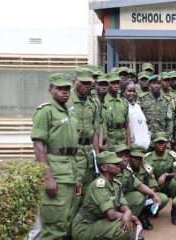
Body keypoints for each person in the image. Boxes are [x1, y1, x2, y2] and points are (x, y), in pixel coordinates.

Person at [31, 73, 78, 240]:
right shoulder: (45, 112)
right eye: (59, 88)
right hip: (56, 174)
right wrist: (48, 177)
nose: (64, 92)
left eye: (67, 88)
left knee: (65, 221)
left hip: (69, 172)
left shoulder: (69, 113)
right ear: (50, 90)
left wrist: (76, 176)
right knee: (54, 225)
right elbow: (38, 146)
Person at [72, 151, 142, 240]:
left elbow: (124, 206)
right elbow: (111, 215)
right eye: (115, 164)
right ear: (104, 167)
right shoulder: (99, 185)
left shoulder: (116, 184)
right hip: (84, 227)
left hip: (98, 222)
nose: (119, 165)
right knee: (122, 225)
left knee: (126, 221)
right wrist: (131, 217)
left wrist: (128, 213)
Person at [66, 67, 100, 198]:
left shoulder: (92, 103)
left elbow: (95, 131)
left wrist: (97, 155)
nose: (87, 86)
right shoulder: (67, 101)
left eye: (88, 83)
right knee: (74, 193)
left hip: (89, 153)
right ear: (74, 81)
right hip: (75, 152)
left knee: (88, 191)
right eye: (83, 82)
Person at [128, 144, 168, 230]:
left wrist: (149, 195)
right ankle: (132, 219)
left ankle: (143, 215)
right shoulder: (124, 167)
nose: (137, 160)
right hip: (127, 198)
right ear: (129, 157)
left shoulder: (146, 167)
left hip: (143, 195)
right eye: (135, 158)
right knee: (139, 197)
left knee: (163, 198)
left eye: (140, 158)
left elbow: (153, 185)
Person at [144, 132, 176, 224]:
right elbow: (146, 177)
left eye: (163, 142)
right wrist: (154, 187)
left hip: (167, 184)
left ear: (167, 143)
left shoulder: (173, 156)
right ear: (153, 143)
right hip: (153, 187)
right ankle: (153, 209)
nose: (160, 144)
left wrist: (166, 175)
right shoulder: (147, 158)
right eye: (158, 142)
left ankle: (175, 211)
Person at [138, 74, 173, 142]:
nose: (156, 86)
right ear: (149, 84)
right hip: (145, 136)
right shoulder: (142, 98)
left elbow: (169, 121)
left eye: (158, 83)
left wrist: (168, 139)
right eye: (153, 83)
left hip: (161, 137)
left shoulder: (166, 100)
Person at [103, 73, 131, 148]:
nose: (116, 86)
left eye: (117, 83)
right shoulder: (102, 101)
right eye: (113, 83)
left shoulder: (124, 102)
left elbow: (127, 126)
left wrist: (128, 146)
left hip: (122, 143)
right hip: (108, 143)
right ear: (107, 84)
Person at [121, 81, 151, 149]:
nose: (132, 93)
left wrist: (148, 137)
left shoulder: (137, 106)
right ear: (123, 92)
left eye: (134, 91)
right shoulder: (122, 105)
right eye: (129, 91)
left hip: (145, 145)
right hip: (132, 146)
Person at [94, 75, 110, 152]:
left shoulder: (106, 103)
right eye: (101, 85)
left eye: (106, 85)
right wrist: (99, 145)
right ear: (96, 86)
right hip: (95, 144)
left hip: (105, 143)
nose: (104, 87)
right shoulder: (93, 102)